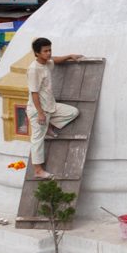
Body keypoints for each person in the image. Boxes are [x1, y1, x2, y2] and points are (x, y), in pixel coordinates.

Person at [26, 38, 84, 181]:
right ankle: (38, 170)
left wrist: (70, 56)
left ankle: (49, 127)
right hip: (38, 109)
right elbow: (34, 93)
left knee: (73, 112)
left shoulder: (47, 63)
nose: (48, 53)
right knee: (37, 140)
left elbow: (55, 60)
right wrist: (40, 113)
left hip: (50, 106)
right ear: (37, 53)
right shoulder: (34, 69)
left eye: (49, 50)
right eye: (45, 51)